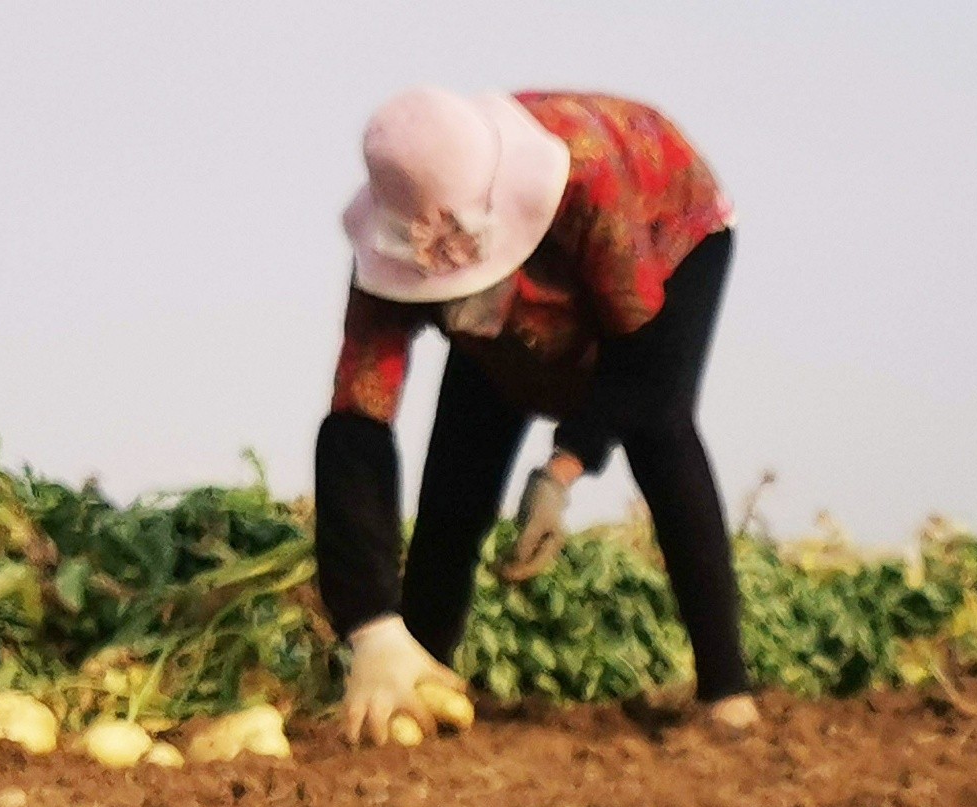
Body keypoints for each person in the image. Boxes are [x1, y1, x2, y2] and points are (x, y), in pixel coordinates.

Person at [314, 89, 755, 743]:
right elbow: (358, 415)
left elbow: (642, 365)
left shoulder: (591, 180)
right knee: (459, 465)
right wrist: (372, 623)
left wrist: (562, 468)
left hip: (665, 231)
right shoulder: (396, 238)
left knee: (659, 432)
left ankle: (726, 688)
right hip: (511, 281)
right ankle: (420, 668)